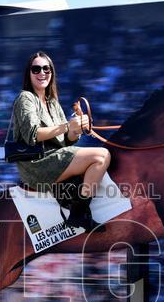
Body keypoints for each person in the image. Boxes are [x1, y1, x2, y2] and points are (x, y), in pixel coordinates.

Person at [11, 51, 109, 230]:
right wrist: (66, 126)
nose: (42, 73)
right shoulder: (25, 99)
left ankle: (79, 209)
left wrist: (75, 129)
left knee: (99, 154)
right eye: (36, 69)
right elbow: (32, 134)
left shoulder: (53, 102)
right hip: (36, 164)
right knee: (101, 156)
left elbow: (66, 141)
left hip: (55, 157)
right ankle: (80, 212)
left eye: (46, 69)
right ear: (29, 74)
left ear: (51, 72)